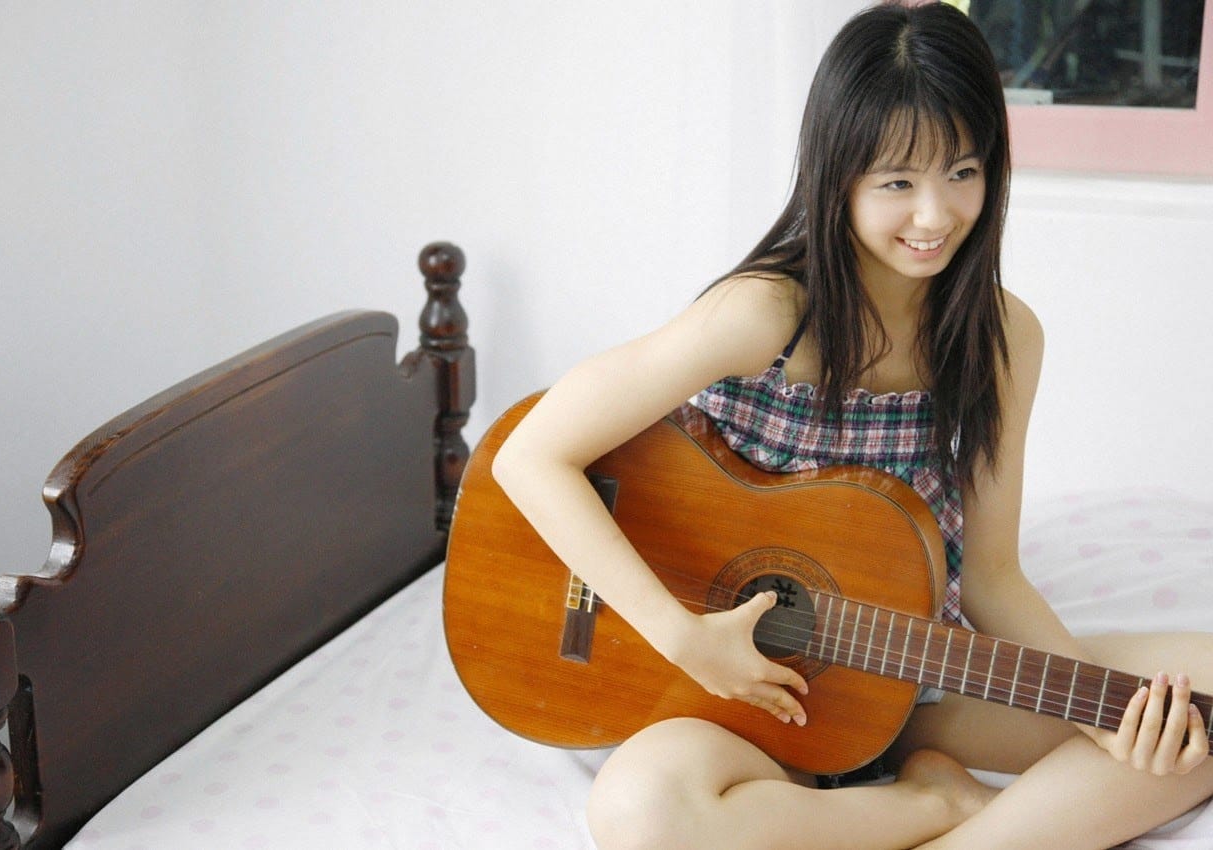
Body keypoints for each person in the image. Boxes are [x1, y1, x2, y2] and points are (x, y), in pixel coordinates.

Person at [490, 3, 1213, 848]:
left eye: (963, 171)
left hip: (906, 680)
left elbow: (990, 578)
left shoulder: (1003, 338)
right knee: (639, 815)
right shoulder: (763, 316)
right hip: (742, 699)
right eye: (898, 182)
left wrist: (1095, 708)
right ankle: (931, 808)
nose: (935, 216)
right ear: (838, 177)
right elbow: (531, 455)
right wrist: (683, 637)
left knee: (1195, 707)